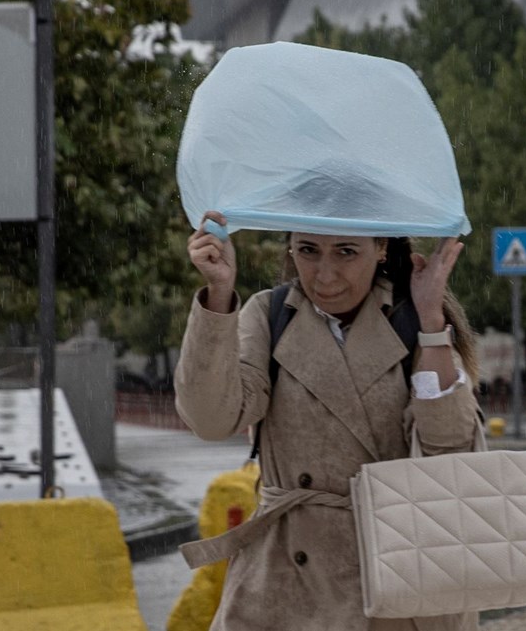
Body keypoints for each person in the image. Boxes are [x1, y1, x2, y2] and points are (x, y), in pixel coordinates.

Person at [175, 210, 483, 631]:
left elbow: (450, 453)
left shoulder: (413, 319)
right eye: (308, 250)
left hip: (401, 575)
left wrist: (431, 324)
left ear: (380, 250)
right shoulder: (269, 314)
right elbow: (211, 421)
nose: (325, 274)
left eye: (346, 252)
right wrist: (219, 291)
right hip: (283, 584)